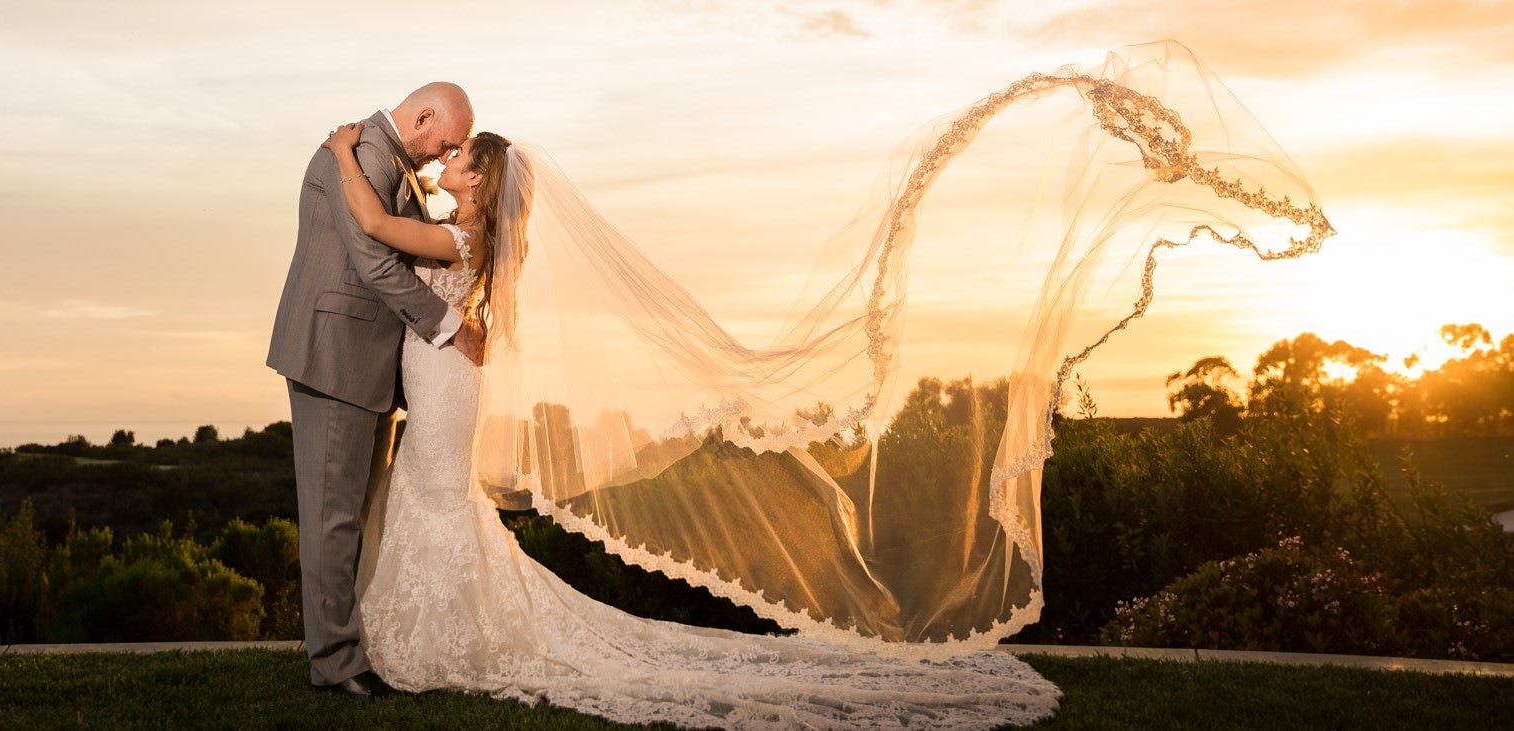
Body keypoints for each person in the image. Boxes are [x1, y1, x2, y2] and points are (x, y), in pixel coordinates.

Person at [308, 42, 1332, 729]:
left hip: (442, 379)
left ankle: (431, 637)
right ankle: (409, 633)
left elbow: (372, 230)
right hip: (443, 374)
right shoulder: (471, 232)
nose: (440, 163)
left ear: (475, 176)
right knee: (432, 496)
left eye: (453, 159)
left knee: (435, 496)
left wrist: (338, 152)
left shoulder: (447, 228)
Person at [263, 81, 487, 698]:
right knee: (334, 517)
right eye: (449, 140)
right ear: (422, 117)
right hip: (335, 355)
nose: (450, 153)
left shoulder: (390, 161)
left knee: (361, 514)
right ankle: (335, 665)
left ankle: (358, 644)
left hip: (370, 363)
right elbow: (373, 260)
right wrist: (450, 326)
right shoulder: (362, 154)